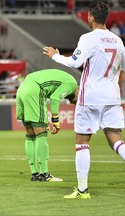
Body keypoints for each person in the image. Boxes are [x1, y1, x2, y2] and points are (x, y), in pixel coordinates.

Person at [43, 0, 125, 199]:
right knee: (116, 140)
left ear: (90, 16)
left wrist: (55, 56)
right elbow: (121, 69)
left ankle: (82, 190)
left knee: (82, 142)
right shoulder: (118, 41)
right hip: (112, 97)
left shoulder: (88, 38)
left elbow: (75, 62)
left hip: (90, 97)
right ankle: (81, 190)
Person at [16, 69, 78, 182]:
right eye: (77, 101)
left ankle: (35, 173)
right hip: (34, 89)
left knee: (30, 134)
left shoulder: (66, 80)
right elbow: (55, 97)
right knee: (41, 134)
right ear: (80, 92)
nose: (73, 103)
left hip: (22, 88)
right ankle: (44, 174)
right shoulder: (72, 84)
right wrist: (55, 120)